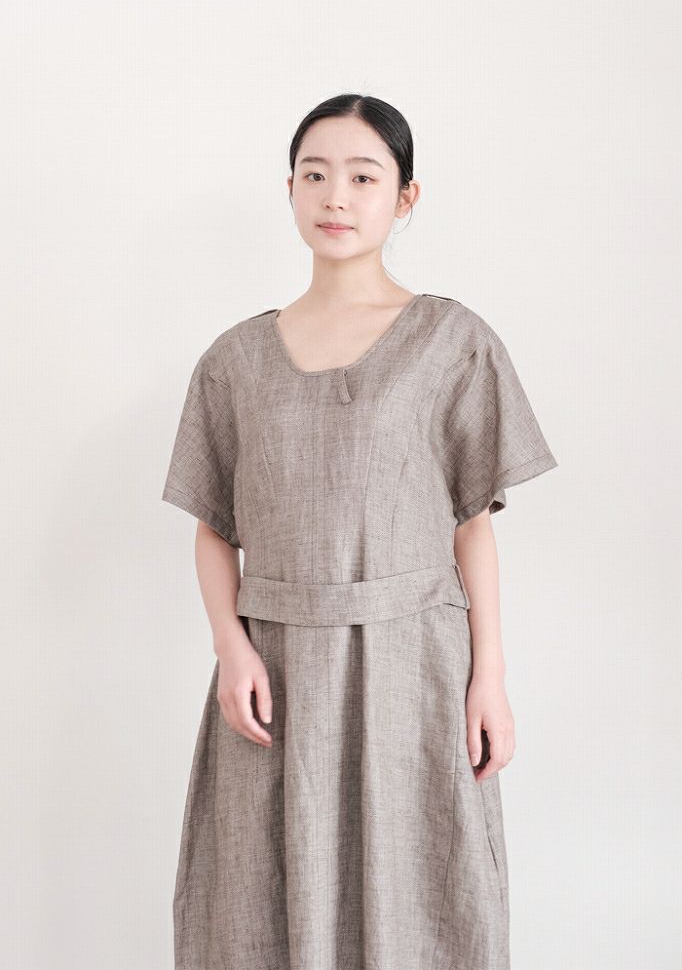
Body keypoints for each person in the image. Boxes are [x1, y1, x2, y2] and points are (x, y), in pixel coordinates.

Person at [161, 93, 558, 970]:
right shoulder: (235, 360)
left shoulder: (451, 342)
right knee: (258, 894)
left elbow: (472, 526)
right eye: (314, 175)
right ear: (290, 190)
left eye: (363, 177)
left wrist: (489, 677)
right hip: (277, 672)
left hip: (415, 665)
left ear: (405, 196)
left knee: (425, 887)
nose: (335, 196)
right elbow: (213, 527)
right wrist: (232, 648)